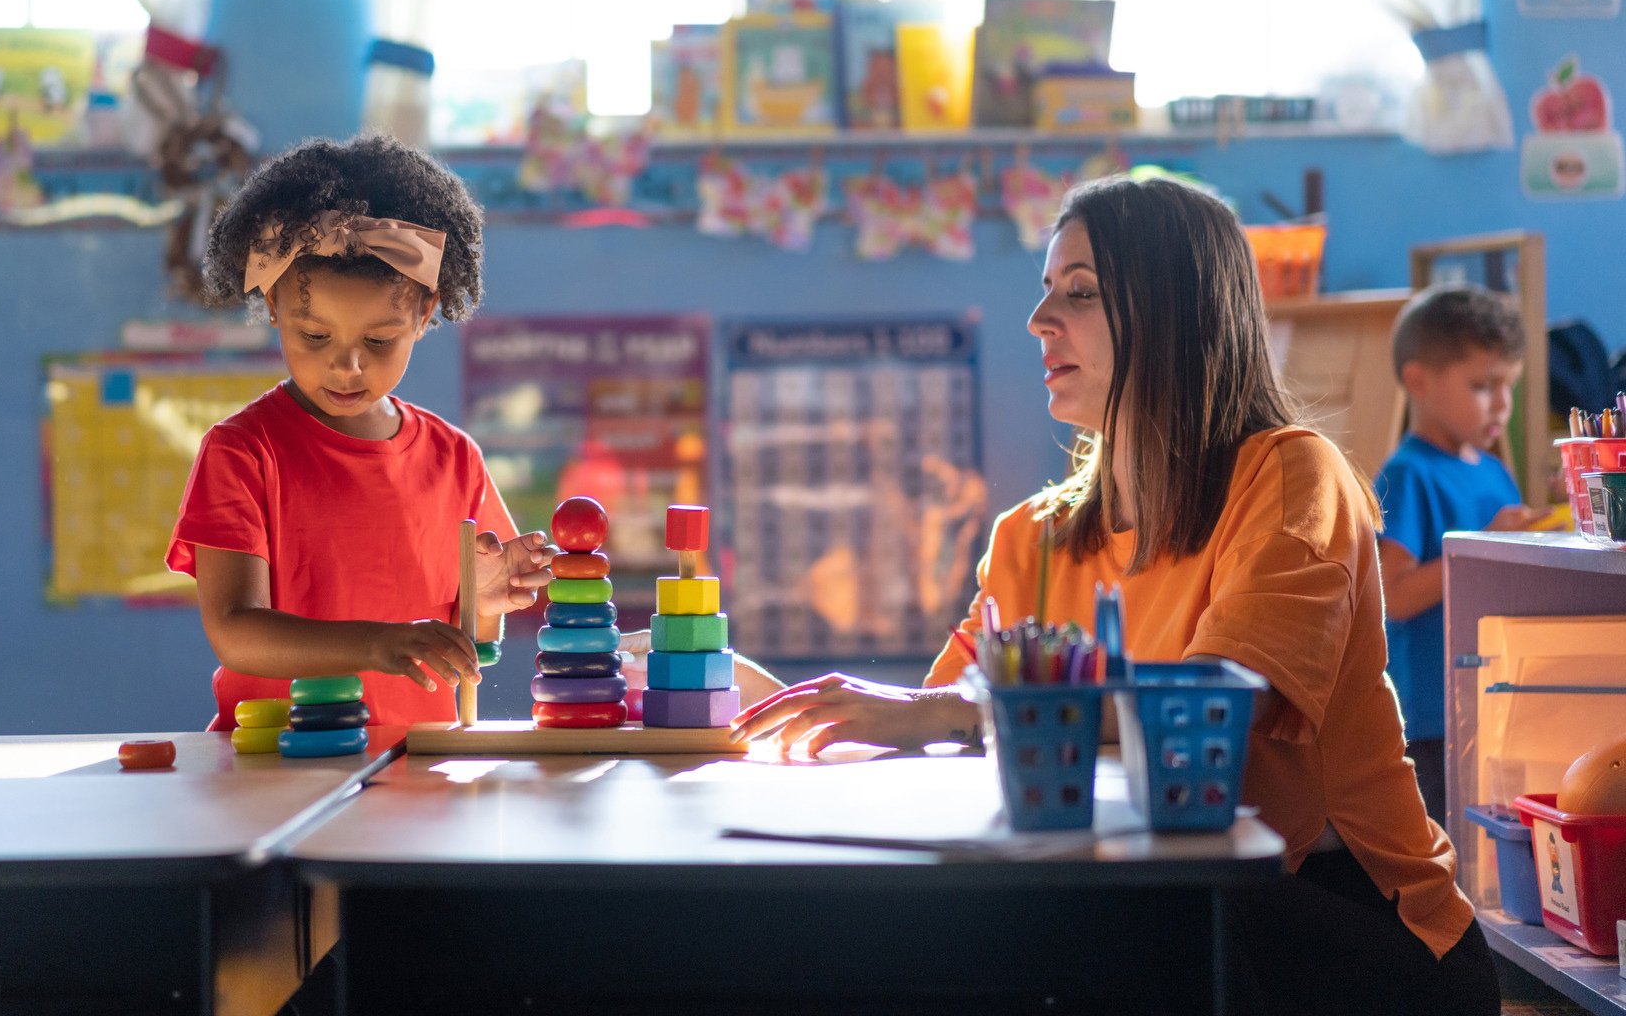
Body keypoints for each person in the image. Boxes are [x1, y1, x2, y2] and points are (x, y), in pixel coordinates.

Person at [730, 176, 1498, 1015]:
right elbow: (941, 723)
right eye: (1046, 291)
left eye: (1082, 293)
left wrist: (960, 713)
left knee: (1070, 929)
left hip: (1344, 919)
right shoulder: (1034, 535)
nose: (1039, 321)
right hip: (1153, 888)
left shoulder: (1288, 475)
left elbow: (1206, 715)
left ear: (1176, 312)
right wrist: (759, 696)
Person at [165, 135, 553, 730]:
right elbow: (237, 632)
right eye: (314, 337)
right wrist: (379, 643)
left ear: (425, 315)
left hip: (415, 777)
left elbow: (460, 646)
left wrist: (485, 606)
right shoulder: (244, 452)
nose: (346, 367)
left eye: (377, 341)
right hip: (274, 775)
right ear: (272, 305)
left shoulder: (454, 459)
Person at [1374, 285, 1548, 822]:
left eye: (1508, 386)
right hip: (1431, 718)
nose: (1501, 404)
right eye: (1482, 385)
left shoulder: (1494, 471)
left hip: (1497, 706)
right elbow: (1394, 596)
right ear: (1418, 381)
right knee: (1445, 858)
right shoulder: (1408, 475)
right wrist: (1484, 543)